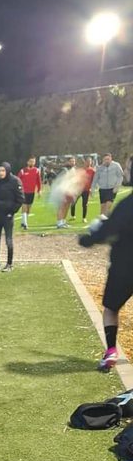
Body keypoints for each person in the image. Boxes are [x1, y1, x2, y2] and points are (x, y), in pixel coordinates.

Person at [79, 196, 133, 372]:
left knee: (111, 308)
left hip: (123, 267)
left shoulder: (127, 205)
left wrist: (88, 239)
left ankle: (111, 351)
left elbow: (108, 231)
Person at [0, 163, 24, 272]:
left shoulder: (15, 181)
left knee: (8, 240)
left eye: (3, 170)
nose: (1, 173)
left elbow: (20, 199)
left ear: (7, 170)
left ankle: (9, 264)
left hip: (7, 216)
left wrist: (11, 212)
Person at [91, 152, 124, 218]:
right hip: (102, 189)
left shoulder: (116, 165)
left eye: (108, 159)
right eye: (105, 159)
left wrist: (117, 187)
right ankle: (103, 220)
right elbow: (95, 179)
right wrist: (92, 190)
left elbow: (120, 176)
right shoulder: (99, 168)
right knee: (103, 208)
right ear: (103, 160)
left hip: (112, 189)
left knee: (108, 205)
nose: (107, 161)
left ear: (111, 159)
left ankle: (105, 219)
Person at [16, 157, 41, 230]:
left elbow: (38, 181)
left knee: (29, 209)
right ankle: (25, 224)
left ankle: (23, 222)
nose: (32, 163)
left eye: (33, 162)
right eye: (30, 161)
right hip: (23, 192)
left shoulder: (37, 171)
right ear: (27, 162)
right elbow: (17, 180)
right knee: (24, 206)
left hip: (31, 192)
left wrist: (39, 190)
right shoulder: (22, 171)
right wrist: (18, 189)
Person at [71, 157, 95, 223]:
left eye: (90, 161)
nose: (89, 162)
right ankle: (73, 215)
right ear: (85, 162)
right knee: (73, 202)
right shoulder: (80, 170)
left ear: (91, 162)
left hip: (86, 190)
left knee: (85, 204)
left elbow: (93, 181)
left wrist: (91, 189)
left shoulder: (92, 171)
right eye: (87, 161)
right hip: (78, 189)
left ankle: (84, 218)